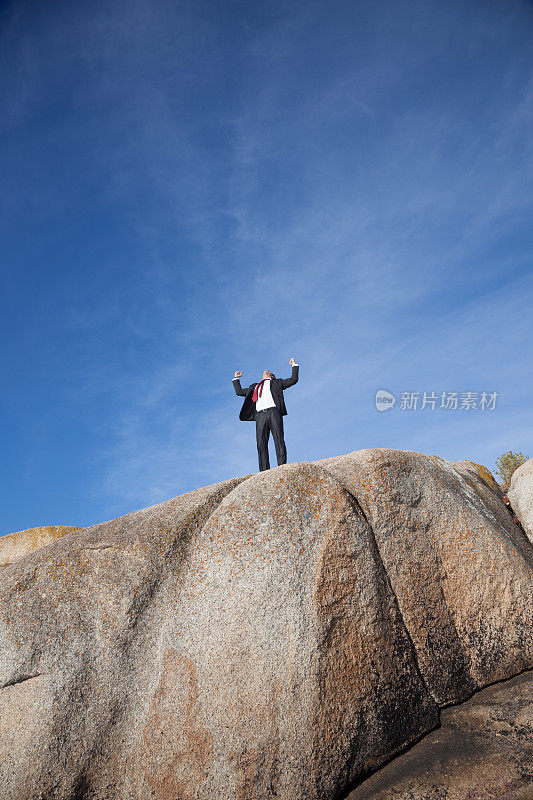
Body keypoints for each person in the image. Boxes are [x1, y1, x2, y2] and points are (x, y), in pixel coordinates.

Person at [232, 358, 299, 472]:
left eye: (269, 371)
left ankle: (282, 466)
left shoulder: (277, 383)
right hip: (260, 416)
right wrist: (236, 378)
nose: (266, 370)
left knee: (278, 439)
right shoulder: (255, 387)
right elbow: (239, 392)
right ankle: (264, 471)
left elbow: (293, 379)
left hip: (274, 412)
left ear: (272, 376)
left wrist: (294, 365)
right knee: (261, 443)